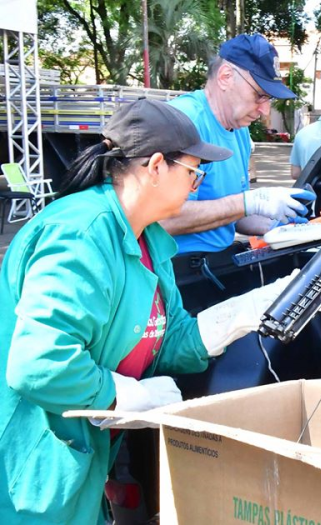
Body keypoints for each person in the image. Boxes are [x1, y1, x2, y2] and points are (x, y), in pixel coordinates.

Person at [0, 99, 298, 524]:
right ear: (157, 166)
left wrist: (242, 314)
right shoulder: (80, 237)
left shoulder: (150, 239)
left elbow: (168, 336)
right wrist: (124, 395)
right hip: (34, 469)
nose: (196, 186)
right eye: (194, 174)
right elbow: (40, 364)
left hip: (84, 465)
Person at [163, 34, 316, 255]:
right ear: (225, 77)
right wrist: (249, 202)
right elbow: (163, 219)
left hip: (214, 262)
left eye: (269, 99)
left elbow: (233, 215)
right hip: (173, 269)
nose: (264, 110)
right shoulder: (183, 123)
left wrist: (279, 225)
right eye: (259, 95)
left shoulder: (240, 131)